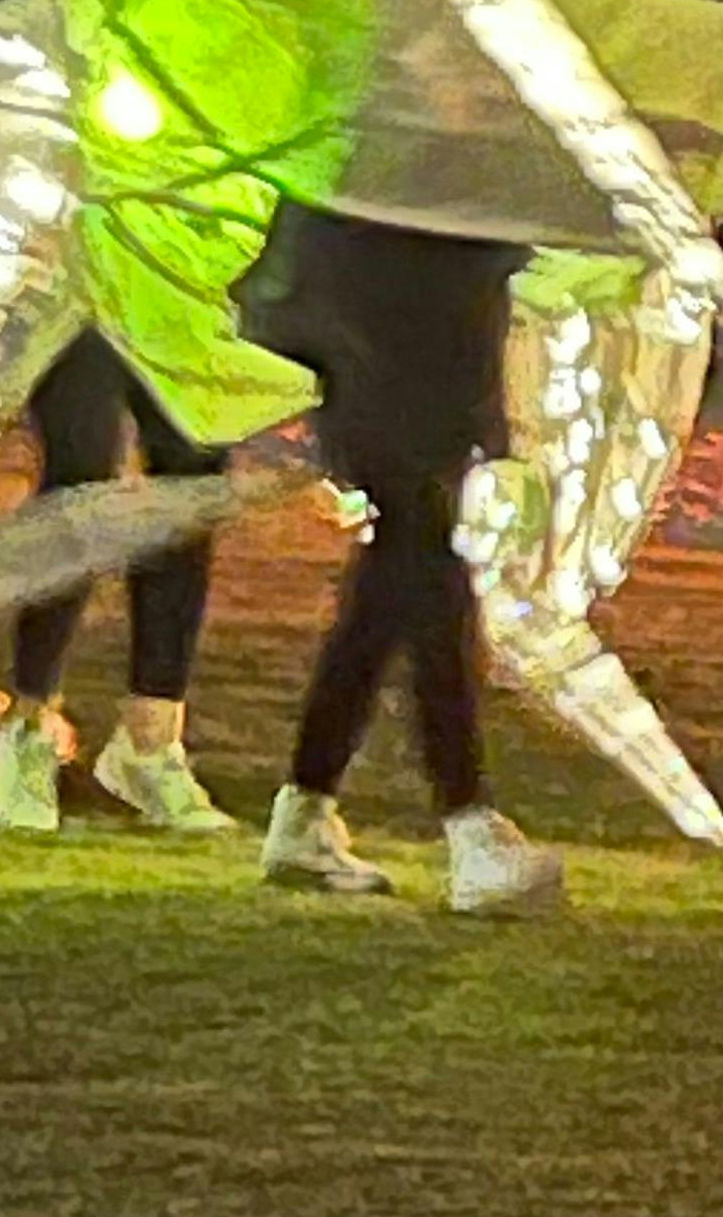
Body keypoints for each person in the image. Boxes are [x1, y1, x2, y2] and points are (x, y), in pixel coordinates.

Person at [238, 202, 563, 918]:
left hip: (404, 378)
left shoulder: (430, 150)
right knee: (432, 590)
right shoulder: (399, 154)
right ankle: (469, 824)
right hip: (386, 379)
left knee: (388, 599)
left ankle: (307, 810)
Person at [0, 331, 242, 836]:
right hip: (83, 284)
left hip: (183, 279)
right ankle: (29, 726)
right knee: (82, 472)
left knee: (189, 483)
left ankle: (149, 746)